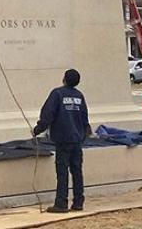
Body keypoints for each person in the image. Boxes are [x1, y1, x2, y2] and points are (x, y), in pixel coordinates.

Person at [32, 68, 91, 214]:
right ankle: (78, 202)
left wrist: (37, 130)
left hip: (63, 139)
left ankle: (61, 203)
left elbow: (48, 115)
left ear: (64, 79)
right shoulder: (79, 96)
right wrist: (83, 136)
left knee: (62, 171)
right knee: (77, 171)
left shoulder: (57, 94)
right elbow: (84, 119)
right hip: (77, 140)